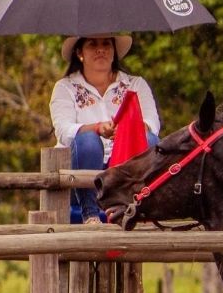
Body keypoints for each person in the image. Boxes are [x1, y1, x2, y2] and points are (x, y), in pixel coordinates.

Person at [49, 34, 160, 223]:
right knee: (88, 141)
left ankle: (138, 209)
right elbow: (63, 130)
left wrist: (127, 129)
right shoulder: (65, 87)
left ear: (114, 51)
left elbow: (152, 124)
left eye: (106, 44)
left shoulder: (135, 84)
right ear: (79, 53)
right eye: (93, 44)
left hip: (124, 165)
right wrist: (97, 128)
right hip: (82, 168)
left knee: (149, 139)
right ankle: (90, 215)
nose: (101, 49)